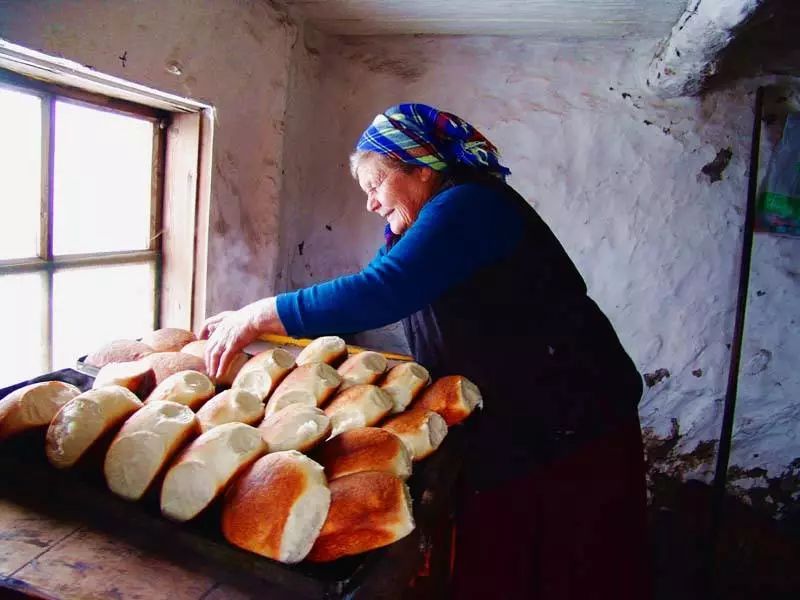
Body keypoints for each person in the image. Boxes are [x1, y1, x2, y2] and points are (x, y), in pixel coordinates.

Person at [201, 103, 650, 599]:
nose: (371, 204)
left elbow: (383, 290)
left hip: (571, 409)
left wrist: (260, 313)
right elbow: (365, 299)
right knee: (512, 549)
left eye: (376, 186)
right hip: (519, 408)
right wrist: (260, 326)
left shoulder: (472, 205)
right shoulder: (425, 218)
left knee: (577, 557)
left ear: (420, 168)